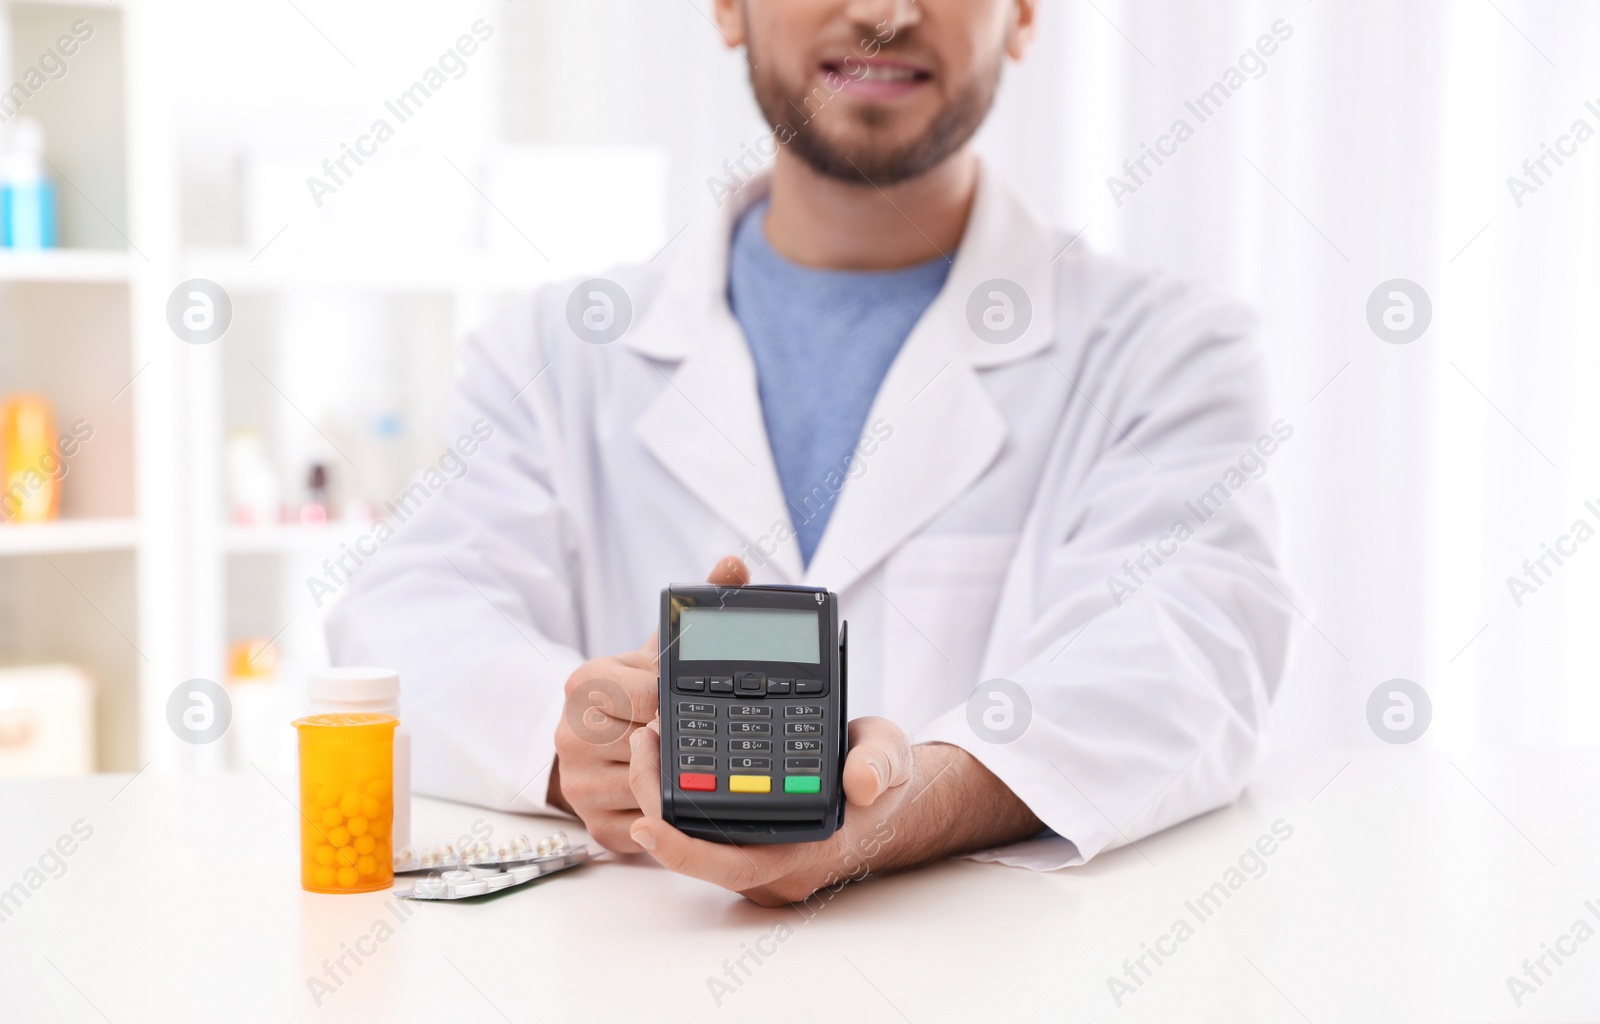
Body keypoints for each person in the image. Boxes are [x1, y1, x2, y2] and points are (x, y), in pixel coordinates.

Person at [326, 0, 1294, 907]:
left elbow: (1193, 657)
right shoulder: (552, 354)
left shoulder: (1169, 353)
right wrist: (579, 741)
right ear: (725, 5)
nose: (881, 12)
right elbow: (405, 619)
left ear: (1027, 11)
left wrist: (915, 802)